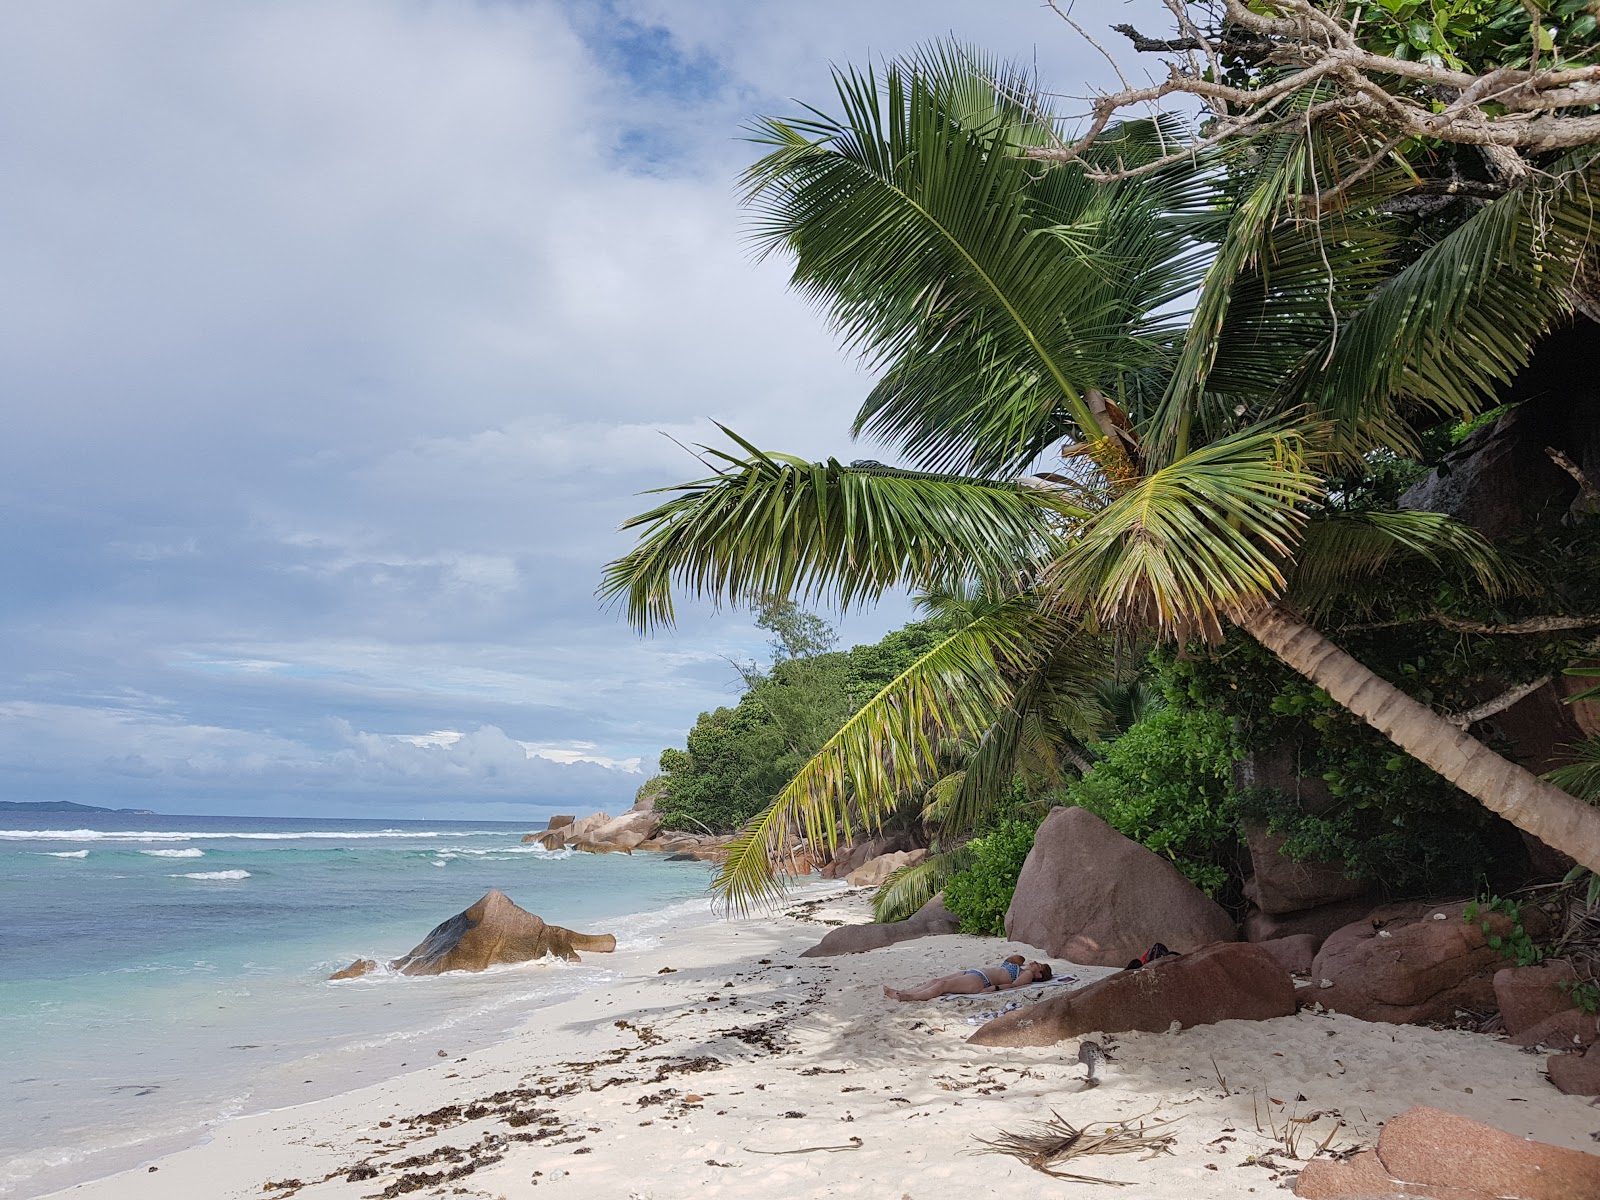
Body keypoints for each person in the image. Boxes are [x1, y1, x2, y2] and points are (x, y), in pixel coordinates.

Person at [883, 954, 1053, 1001]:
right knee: (936, 981)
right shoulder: (1022, 968)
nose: (1034, 963)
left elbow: (1015, 986)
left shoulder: (1028, 975)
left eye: (1038, 965)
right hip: (975, 973)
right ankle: (903, 991)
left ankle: (909, 997)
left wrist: (993, 989)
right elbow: (1011, 961)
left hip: (981, 981)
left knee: (942, 985)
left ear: (1039, 974)